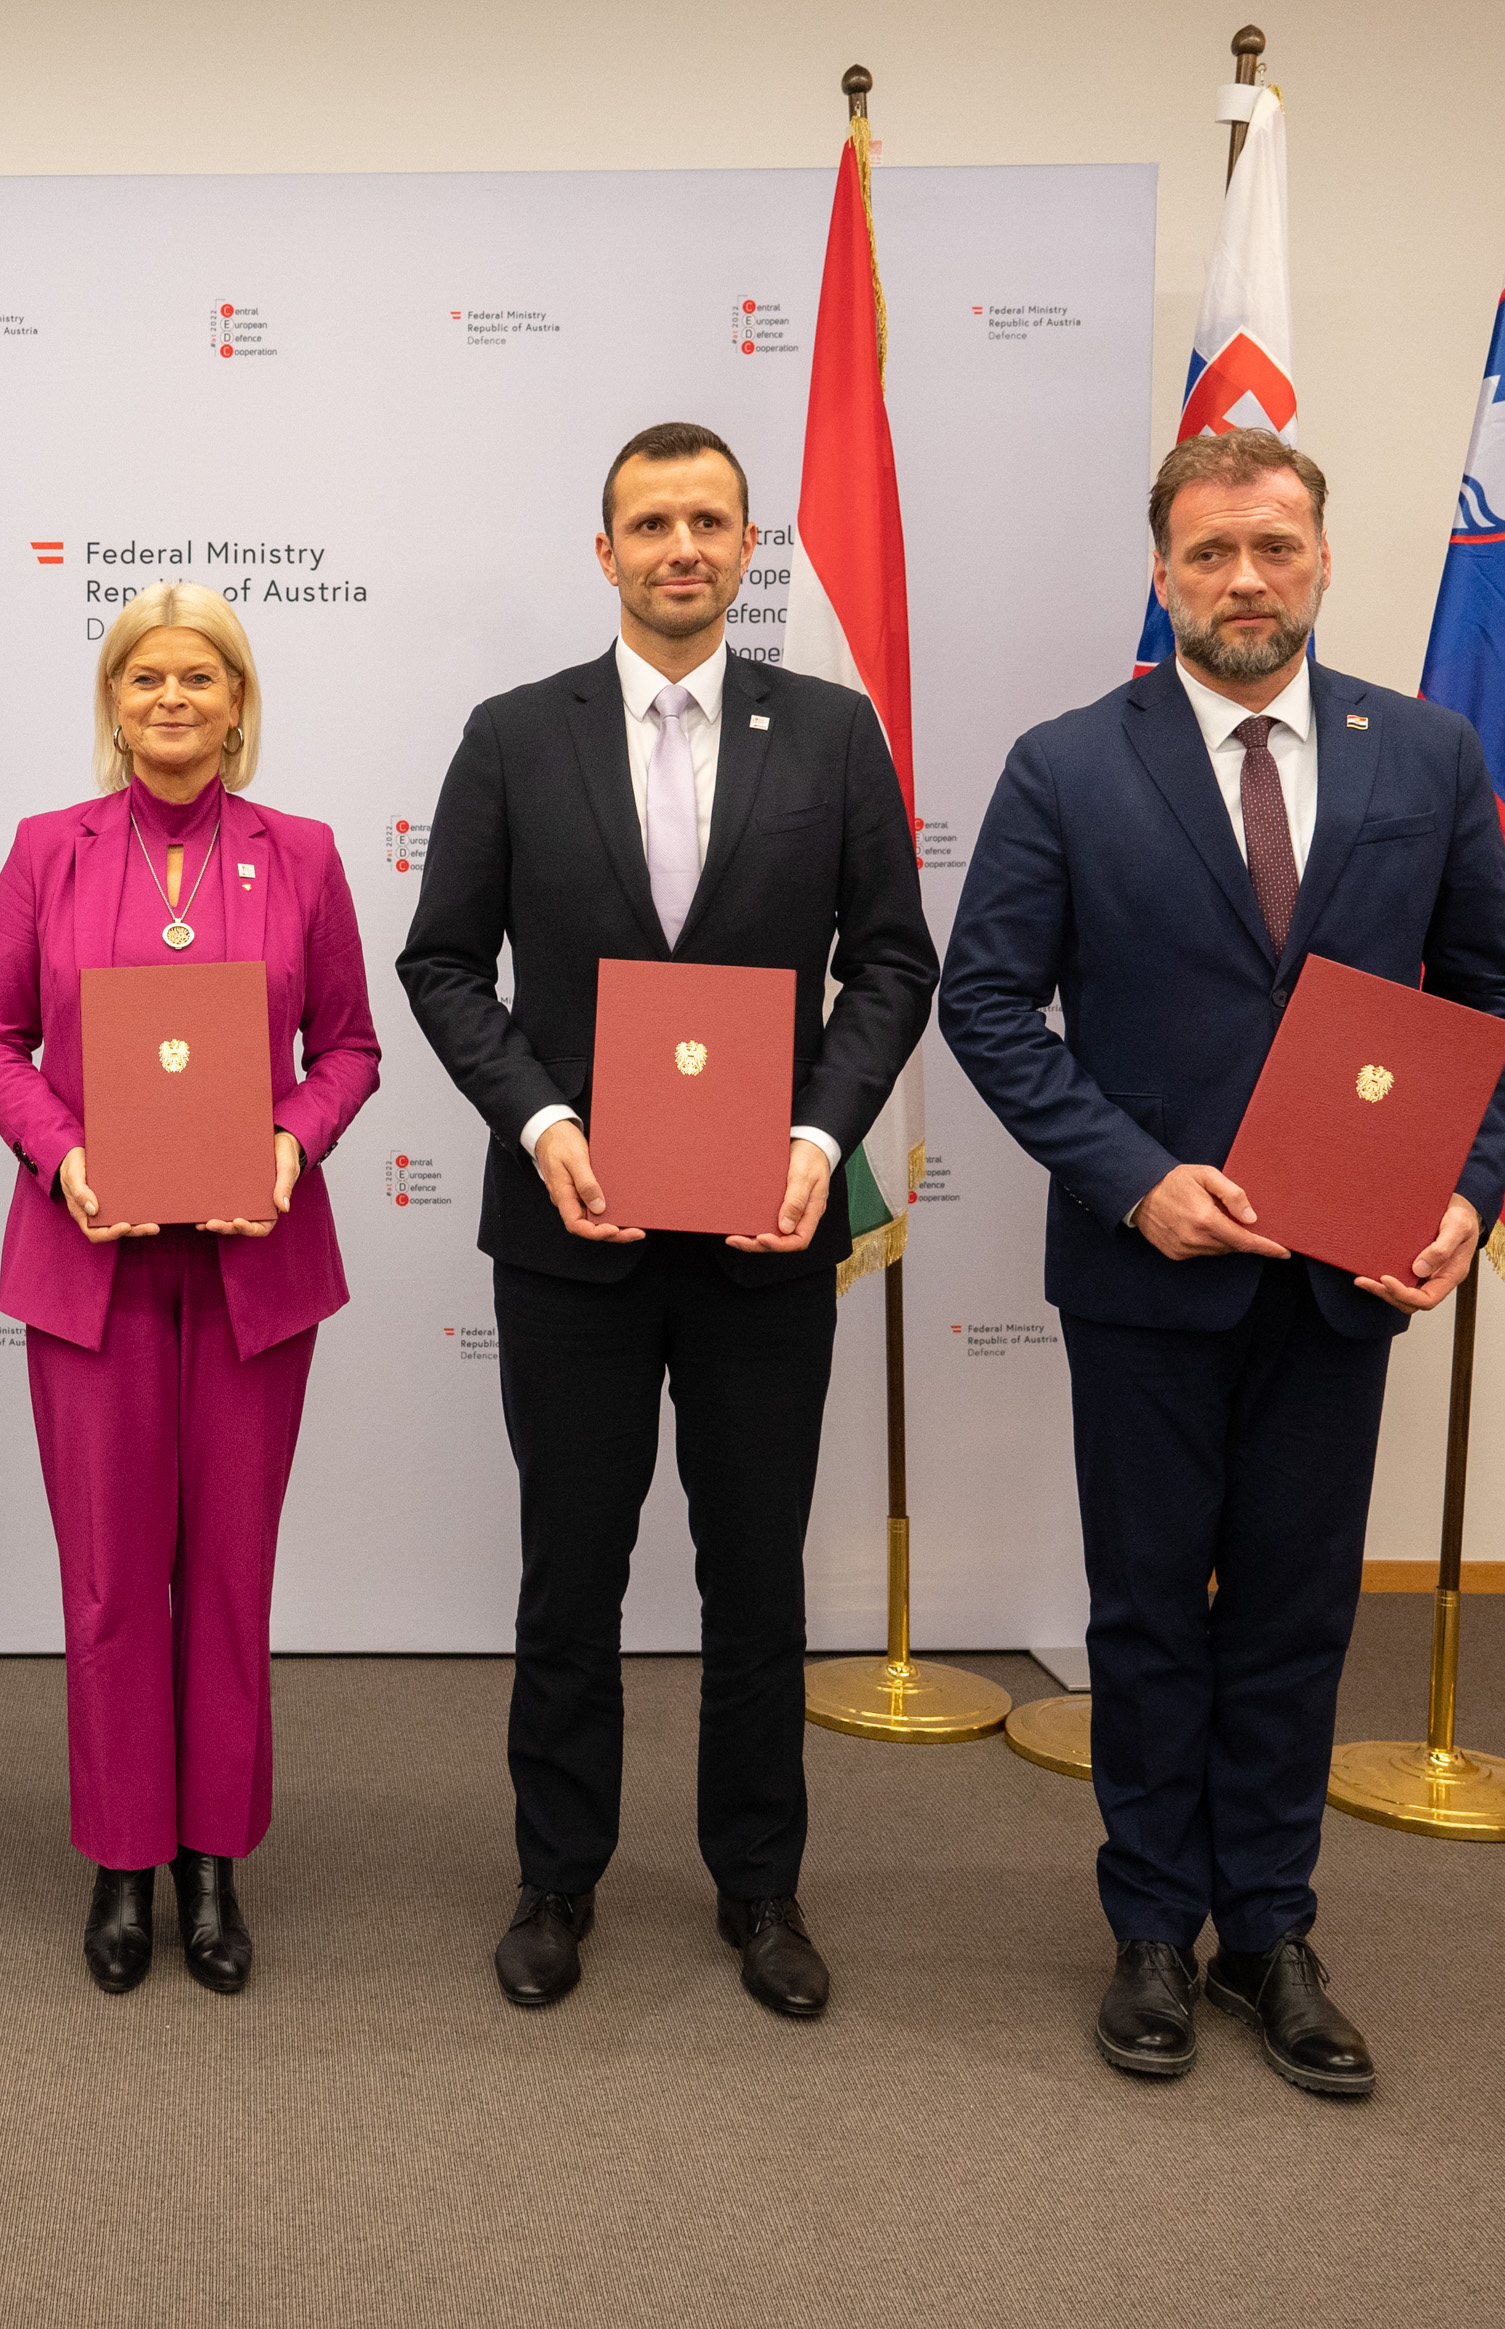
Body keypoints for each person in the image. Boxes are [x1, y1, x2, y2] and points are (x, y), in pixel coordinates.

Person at [938, 431, 1505, 2096]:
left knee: (1293, 1613)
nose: (1246, 579)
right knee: (1147, 1613)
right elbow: (985, 1001)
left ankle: (1270, 1929)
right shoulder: (1068, 763)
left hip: (1345, 1279)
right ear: (1163, 575)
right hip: (1147, 1273)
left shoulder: (1423, 753)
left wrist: (1468, 1194)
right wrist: (1135, 1179)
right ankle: (1150, 1925)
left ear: (1323, 556)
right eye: (1210, 552)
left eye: (1275, 545)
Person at [397, 423, 937, 2017]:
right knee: (570, 1571)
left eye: (709, 520)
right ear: (606, 551)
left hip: (769, 1236)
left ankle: (760, 1884)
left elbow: (891, 962)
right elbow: (442, 963)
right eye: (651, 522)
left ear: (748, 545)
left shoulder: (832, 731)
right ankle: (555, 1874)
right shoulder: (513, 735)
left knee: (755, 1573)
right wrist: (542, 1118)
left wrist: (819, 1137)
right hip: (573, 1236)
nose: (681, 546)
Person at [0, 585, 380, 1995]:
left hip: (254, 1269)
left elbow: (350, 1049)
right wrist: (64, 1155)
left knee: (231, 1576)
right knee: (112, 1581)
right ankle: (124, 1857)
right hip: (95, 1267)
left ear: (238, 701)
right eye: (146, 677)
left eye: (200, 676)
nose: (173, 699)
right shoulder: (49, 850)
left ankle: (214, 1860)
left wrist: (289, 1144)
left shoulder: (302, 853)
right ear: (114, 701)